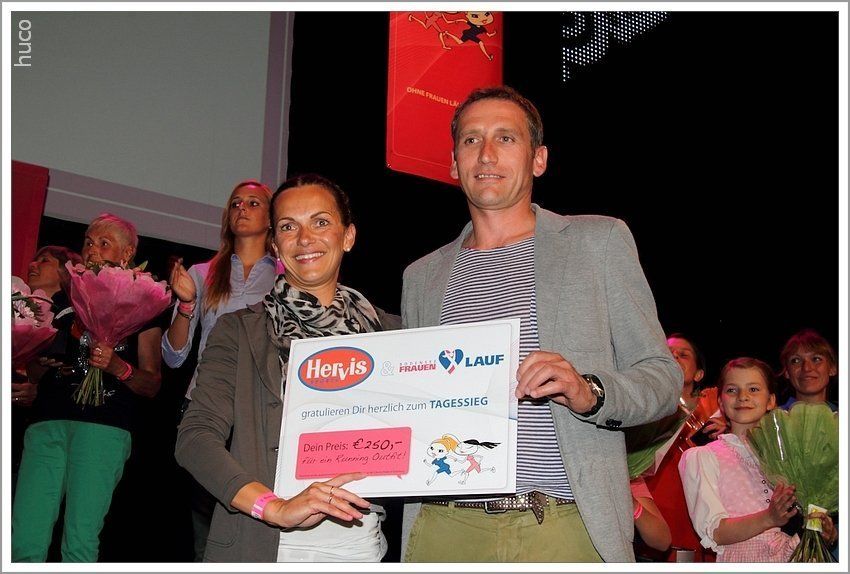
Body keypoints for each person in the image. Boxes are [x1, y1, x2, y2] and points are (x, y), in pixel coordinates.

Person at [400, 86, 682, 562]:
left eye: (506, 138)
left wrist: (589, 391)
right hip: (445, 528)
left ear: (539, 159)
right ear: (452, 164)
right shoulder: (421, 277)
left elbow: (663, 377)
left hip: (563, 525)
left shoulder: (598, 242)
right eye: (471, 140)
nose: (486, 154)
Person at [175, 174, 401, 562]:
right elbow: (195, 439)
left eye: (320, 222)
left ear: (348, 236)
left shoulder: (395, 333)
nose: (305, 238)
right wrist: (273, 508)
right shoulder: (240, 331)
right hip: (262, 546)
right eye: (288, 227)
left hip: (361, 547)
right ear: (276, 245)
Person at [12, 214, 163, 562]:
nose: (92, 250)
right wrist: (39, 366)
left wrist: (118, 367)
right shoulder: (64, 301)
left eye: (104, 243)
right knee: (25, 538)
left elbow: (152, 383)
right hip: (47, 421)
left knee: (79, 541)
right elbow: (35, 367)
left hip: (103, 426)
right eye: (88, 243)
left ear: (127, 254)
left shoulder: (145, 303)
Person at [162, 179, 279, 561]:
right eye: (236, 203)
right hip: (208, 404)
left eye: (253, 202)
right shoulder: (201, 273)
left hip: (262, 409)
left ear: (272, 216)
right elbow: (174, 357)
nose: (242, 208)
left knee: (257, 517)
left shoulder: (285, 273)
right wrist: (185, 305)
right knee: (207, 526)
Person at [678, 357, 837, 562]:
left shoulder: (787, 456)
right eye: (732, 390)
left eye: (753, 389)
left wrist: (820, 530)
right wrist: (769, 518)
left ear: (771, 401)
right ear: (721, 402)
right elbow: (715, 532)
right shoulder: (705, 456)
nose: (743, 397)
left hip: (789, 555)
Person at [635, 333, 720, 562]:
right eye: (667, 353)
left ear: (699, 374)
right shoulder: (639, 411)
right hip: (652, 519)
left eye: (683, 355)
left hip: (694, 522)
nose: (674, 357)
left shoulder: (715, 411)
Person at [12, 246, 83, 492]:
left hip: (41, 430)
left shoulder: (75, 318)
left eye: (44, 261)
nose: (33, 265)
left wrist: (36, 386)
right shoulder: (16, 307)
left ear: (65, 272)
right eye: (33, 260)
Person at [778, 328, 837, 411]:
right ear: (787, 372)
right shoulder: (773, 418)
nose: (806, 368)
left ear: (832, 369)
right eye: (796, 360)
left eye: (816, 359)